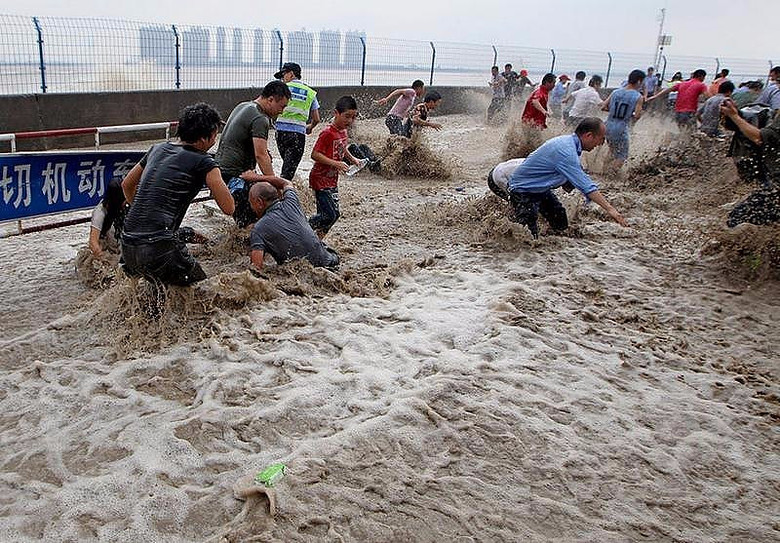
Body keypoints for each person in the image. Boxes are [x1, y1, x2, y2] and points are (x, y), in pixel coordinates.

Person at [120, 103, 235, 286]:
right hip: (158, 248)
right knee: (202, 291)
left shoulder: (156, 149)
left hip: (127, 247)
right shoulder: (205, 162)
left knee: (157, 294)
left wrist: (144, 210)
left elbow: (126, 185)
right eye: (215, 135)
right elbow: (229, 208)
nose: (215, 140)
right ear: (206, 136)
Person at [507, 118, 628, 238]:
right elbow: (587, 186)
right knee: (526, 235)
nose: (601, 143)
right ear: (589, 135)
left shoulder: (568, 143)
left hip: (539, 189)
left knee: (560, 223)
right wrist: (610, 209)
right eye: (601, 138)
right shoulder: (566, 151)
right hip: (522, 190)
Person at [216, 81, 291, 228]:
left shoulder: (243, 105)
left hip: (219, 169)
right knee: (252, 223)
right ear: (270, 100)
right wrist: (275, 185)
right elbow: (261, 156)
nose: (281, 111)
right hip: (235, 175)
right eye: (281, 106)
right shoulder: (260, 118)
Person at [248, 176, 339, 270]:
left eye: (251, 203)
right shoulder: (291, 201)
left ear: (259, 202)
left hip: (303, 275)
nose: (251, 207)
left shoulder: (258, 229)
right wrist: (257, 177)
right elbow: (286, 183)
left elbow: (256, 269)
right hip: (331, 262)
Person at [720, 100, 780, 227]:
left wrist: (734, 116)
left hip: (775, 183)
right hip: (770, 175)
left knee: (736, 219)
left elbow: (758, 138)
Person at [308, 96, 362, 238]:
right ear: (335, 113)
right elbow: (314, 154)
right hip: (320, 179)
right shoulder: (327, 133)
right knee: (330, 214)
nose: (350, 121)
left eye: (353, 117)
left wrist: (353, 159)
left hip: (332, 180)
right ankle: (302, 228)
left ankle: (316, 242)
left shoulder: (343, 132)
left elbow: (342, 148)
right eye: (347, 116)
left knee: (332, 215)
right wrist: (336, 163)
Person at [274, 62, 320, 181]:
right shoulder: (310, 93)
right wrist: (310, 127)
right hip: (298, 135)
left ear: (291, 74)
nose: (282, 78)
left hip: (280, 133)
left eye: (283, 75)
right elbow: (316, 118)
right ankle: (285, 193)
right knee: (288, 170)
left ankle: (284, 190)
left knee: (287, 166)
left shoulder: (281, 89)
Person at [602, 69, 645, 167]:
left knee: (612, 150)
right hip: (621, 127)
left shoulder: (615, 92)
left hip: (608, 125)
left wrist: (613, 111)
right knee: (622, 155)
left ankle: (604, 169)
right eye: (642, 82)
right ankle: (611, 174)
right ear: (638, 81)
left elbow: (603, 107)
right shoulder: (638, 97)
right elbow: (637, 116)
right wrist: (633, 114)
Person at [88, 177, 129, 257]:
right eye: (124, 200)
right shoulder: (100, 213)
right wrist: (104, 259)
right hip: (108, 251)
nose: (126, 202)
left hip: (122, 249)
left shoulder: (126, 206)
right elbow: (93, 242)